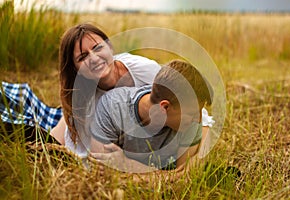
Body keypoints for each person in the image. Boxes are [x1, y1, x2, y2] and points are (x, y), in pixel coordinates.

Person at [0, 23, 214, 157]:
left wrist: (198, 153)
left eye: (98, 48)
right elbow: (93, 152)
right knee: (47, 136)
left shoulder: (144, 70)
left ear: (110, 47)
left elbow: (190, 103)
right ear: (75, 68)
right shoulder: (83, 98)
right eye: (82, 57)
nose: (94, 59)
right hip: (83, 131)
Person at [90, 60, 213, 173]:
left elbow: (182, 180)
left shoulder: (191, 122)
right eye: (192, 114)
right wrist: (168, 176)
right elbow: (101, 171)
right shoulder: (112, 107)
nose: (199, 120)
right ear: (165, 107)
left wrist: (127, 165)